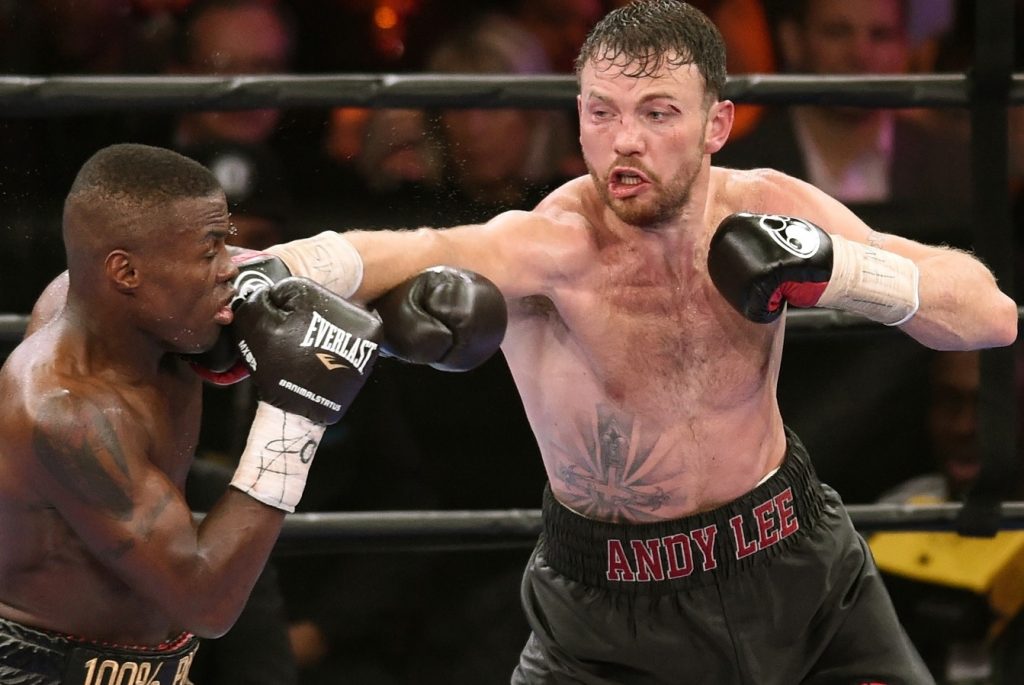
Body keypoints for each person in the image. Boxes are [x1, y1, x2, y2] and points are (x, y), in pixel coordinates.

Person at [254, 1, 1017, 681]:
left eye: (657, 113)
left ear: (716, 123)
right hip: (609, 615)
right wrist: (258, 273)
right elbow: (407, 249)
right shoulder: (550, 243)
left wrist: (841, 269)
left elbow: (991, 315)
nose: (625, 142)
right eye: (602, 112)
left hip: (801, 571)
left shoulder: (769, 204)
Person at [0, 142, 506, 684]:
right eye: (210, 250)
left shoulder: (142, 312)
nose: (230, 268)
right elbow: (206, 603)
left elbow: (308, 282)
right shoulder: (68, 414)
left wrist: (388, 313)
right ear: (126, 272)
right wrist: (296, 415)